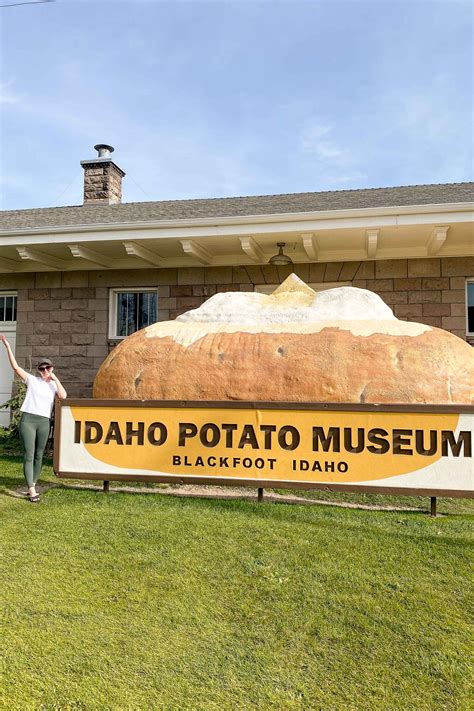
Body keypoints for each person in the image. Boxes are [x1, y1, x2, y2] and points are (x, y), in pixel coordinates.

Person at [1, 335, 67, 502]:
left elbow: (63, 396)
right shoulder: (32, 380)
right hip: (28, 421)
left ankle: (33, 483)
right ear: (38, 370)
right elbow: (16, 368)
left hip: (44, 422)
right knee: (29, 455)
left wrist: (56, 378)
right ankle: (31, 490)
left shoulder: (53, 384)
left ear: (51, 369)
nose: (44, 371)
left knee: (39, 455)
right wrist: (7, 346)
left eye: (47, 368)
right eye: (42, 369)